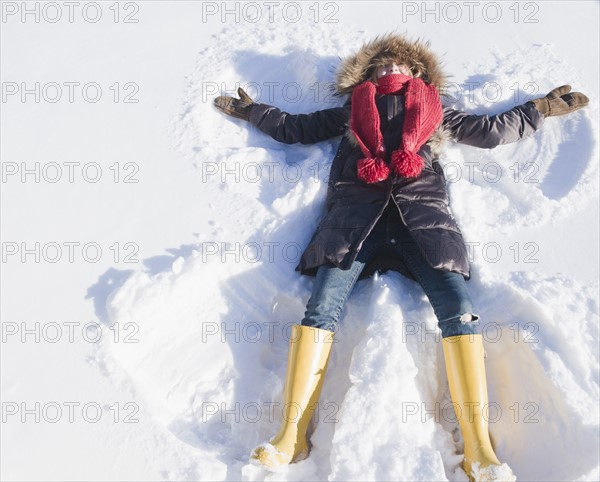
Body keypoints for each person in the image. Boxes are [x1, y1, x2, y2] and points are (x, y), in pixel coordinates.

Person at [213, 33, 588, 481]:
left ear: (418, 74)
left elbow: (489, 132)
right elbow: (297, 128)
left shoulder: (436, 113)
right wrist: (255, 112)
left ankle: (478, 449)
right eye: (381, 65)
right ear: (366, 76)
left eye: (401, 64)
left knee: (459, 311)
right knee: (320, 310)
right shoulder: (351, 112)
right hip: (356, 226)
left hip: (423, 227)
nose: (391, 68)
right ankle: (290, 436)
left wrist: (540, 109)